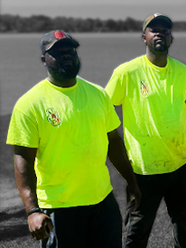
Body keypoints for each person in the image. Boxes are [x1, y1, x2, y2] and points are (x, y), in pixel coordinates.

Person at [6, 30, 141, 248]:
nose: (67, 55)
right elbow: (23, 162)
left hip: (102, 202)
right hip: (60, 208)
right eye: (58, 52)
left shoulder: (98, 94)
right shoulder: (29, 104)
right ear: (44, 60)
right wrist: (32, 211)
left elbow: (114, 143)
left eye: (71, 50)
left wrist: (132, 182)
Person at [105, 13, 186, 248]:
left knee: (182, 227)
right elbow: (104, 108)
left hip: (180, 165)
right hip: (143, 170)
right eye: (154, 30)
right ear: (144, 37)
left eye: (165, 30)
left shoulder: (185, 73)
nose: (160, 34)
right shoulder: (127, 72)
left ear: (171, 37)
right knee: (136, 233)